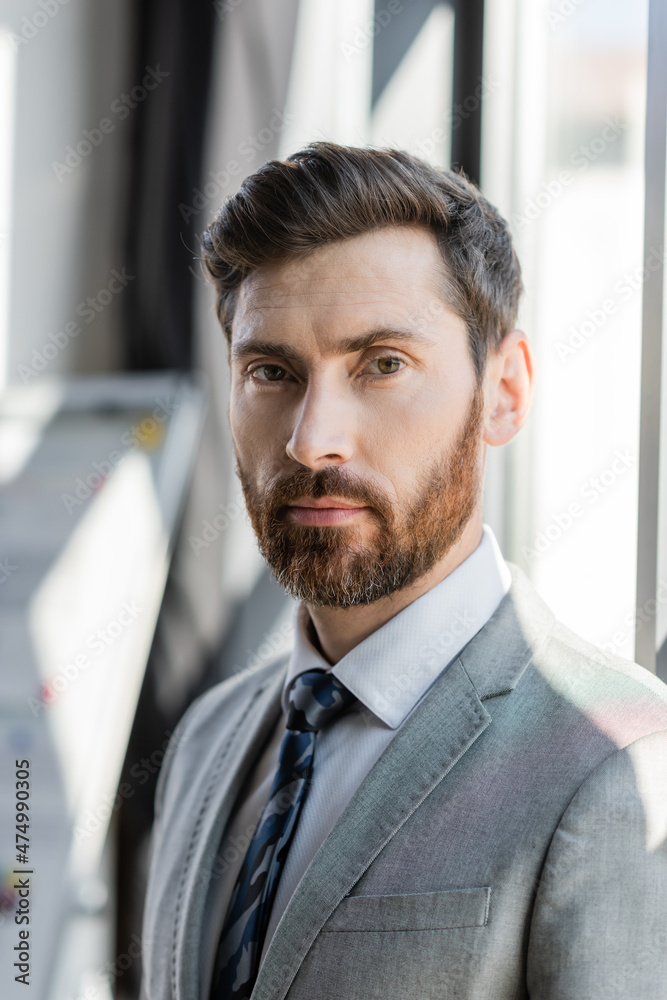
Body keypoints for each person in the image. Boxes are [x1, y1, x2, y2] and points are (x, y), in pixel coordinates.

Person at [139, 142, 667, 1000]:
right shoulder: (208, 737)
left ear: (503, 391)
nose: (312, 440)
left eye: (381, 365)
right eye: (270, 371)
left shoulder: (619, 761)